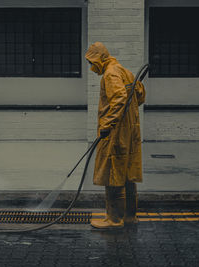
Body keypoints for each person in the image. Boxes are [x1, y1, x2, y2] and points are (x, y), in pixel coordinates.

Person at [85, 42, 146, 229]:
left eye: (92, 62)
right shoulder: (124, 71)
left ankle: (114, 220)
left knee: (113, 173)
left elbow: (119, 99)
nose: (91, 67)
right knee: (127, 174)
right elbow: (140, 96)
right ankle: (130, 217)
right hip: (130, 131)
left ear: (101, 59)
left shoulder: (110, 74)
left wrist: (107, 125)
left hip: (116, 132)